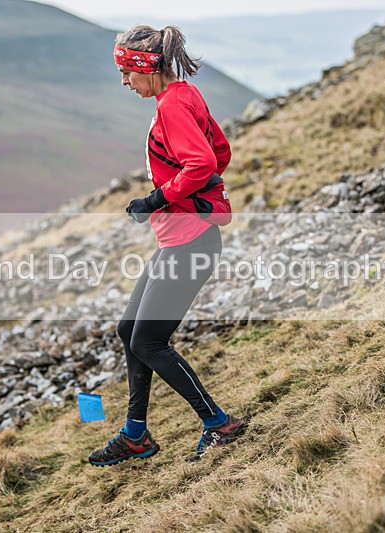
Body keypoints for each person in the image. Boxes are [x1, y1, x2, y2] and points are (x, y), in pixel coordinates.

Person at [88, 25, 247, 467]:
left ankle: (218, 423)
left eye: (126, 72)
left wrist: (155, 199)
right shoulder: (183, 94)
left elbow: (201, 164)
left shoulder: (173, 104)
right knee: (130, 331)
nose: (124, 82)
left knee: (149, 342)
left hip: (189, 243)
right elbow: (220, 152)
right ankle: (136, 435)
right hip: (180, 239)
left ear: (144, 66)